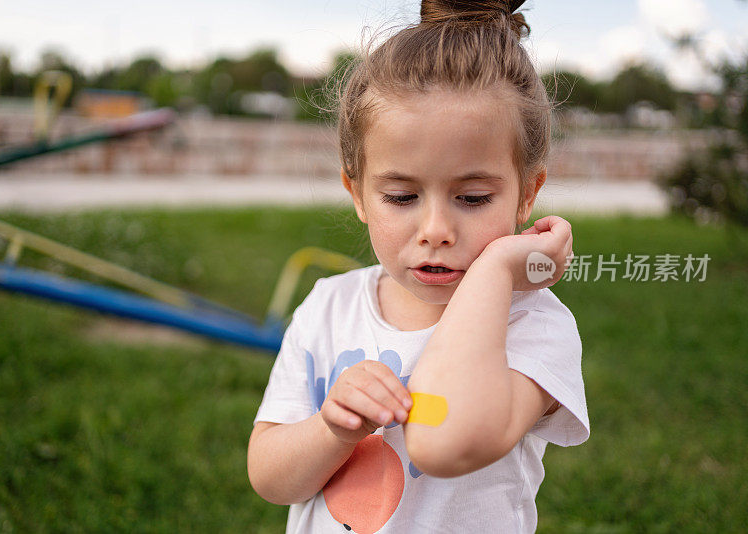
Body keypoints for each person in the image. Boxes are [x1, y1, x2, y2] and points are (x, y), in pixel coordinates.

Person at [247, 1, 590, 532]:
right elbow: (271, 478)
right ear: (357, 193)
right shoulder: (328, 306)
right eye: (402, 196)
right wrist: (333, 429)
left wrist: (497, 269)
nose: (435, 229)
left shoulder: (533, 326)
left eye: (473, 198)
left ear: (528, 195)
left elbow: (444, 442)